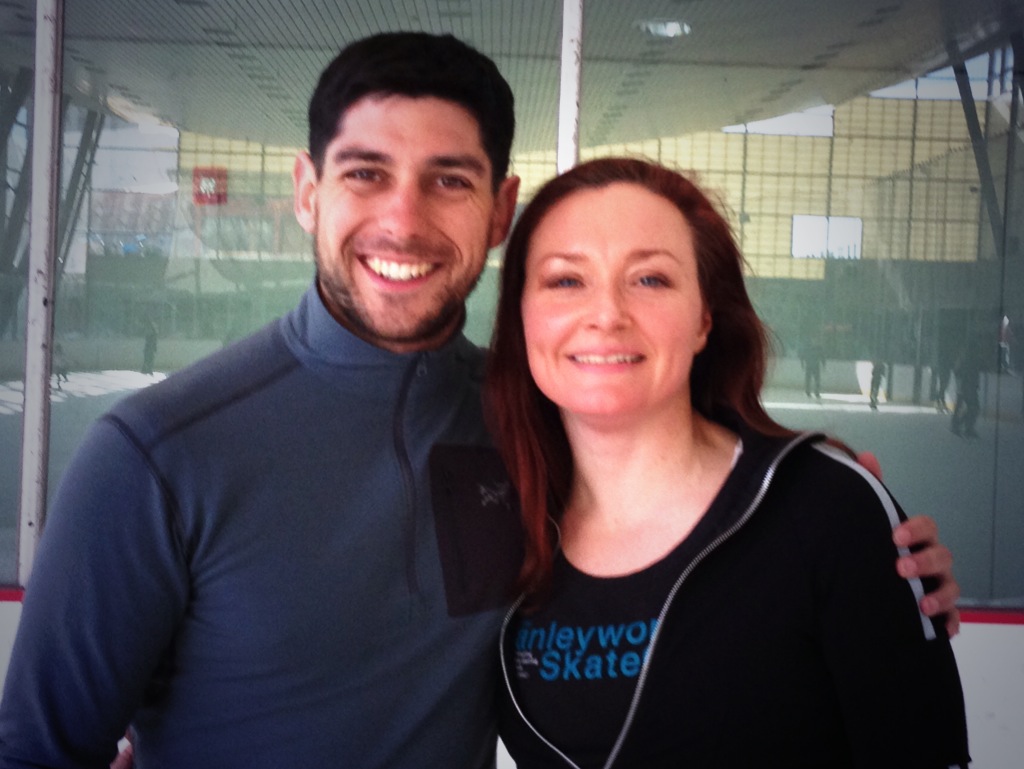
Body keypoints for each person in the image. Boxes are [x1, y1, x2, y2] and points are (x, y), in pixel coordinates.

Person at [0, 33, 958, 769]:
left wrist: (845, 525)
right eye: (365, 172)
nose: (403, 219)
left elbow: (675, 460)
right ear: (307, 191)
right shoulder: (158, 455)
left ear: (497, 210)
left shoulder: (528, 423)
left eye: (447, 181)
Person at [485, 158, 970, 767]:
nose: (606, 314)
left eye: (651, 280)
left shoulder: (825, 510)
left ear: (703, 320)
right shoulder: (498, 519)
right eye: (565, 281)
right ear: (521, 316)